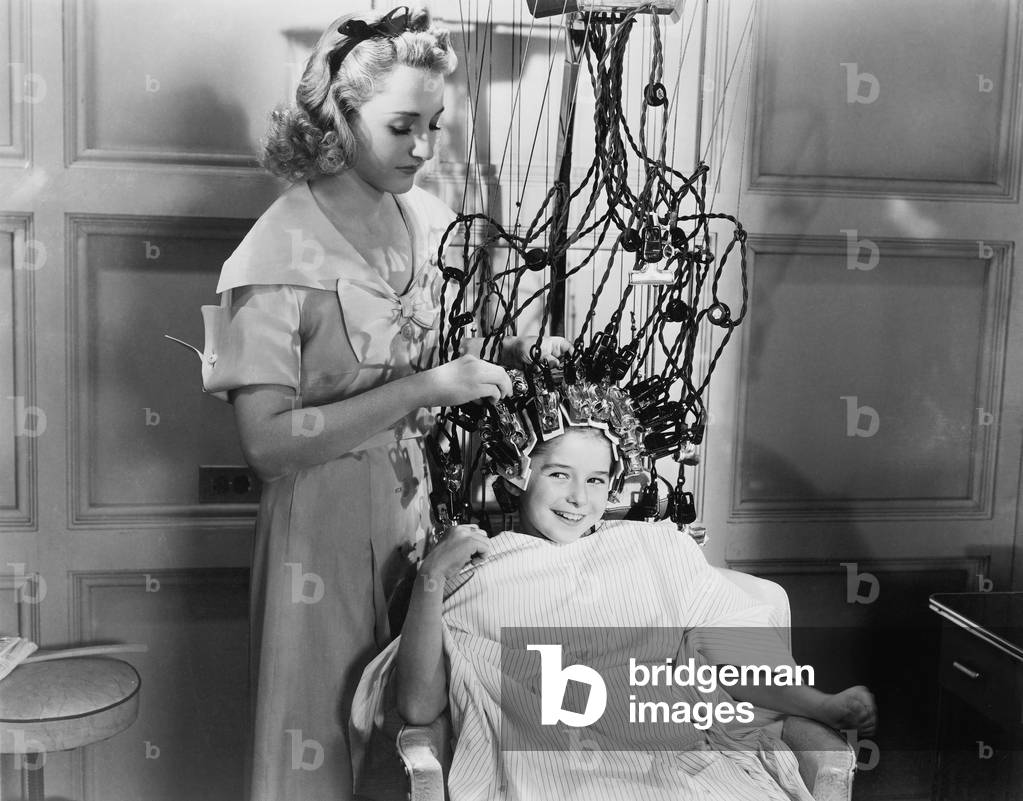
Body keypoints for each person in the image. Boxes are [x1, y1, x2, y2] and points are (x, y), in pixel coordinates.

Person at [199, 8, 566, 800]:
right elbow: (266, 444)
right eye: (402, 126)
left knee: (409, 739)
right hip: (318, 533)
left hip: (411, 521)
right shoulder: (275, 250)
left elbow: (433, 353)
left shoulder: (422, 218)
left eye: (434, 124)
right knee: (318, 741)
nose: (425, 149)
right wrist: (427, 388)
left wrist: (513, 358)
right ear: (340, 116)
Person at [354, 425, 877, 800]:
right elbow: (419, 707)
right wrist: (430, 580)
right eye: (559, 475)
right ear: (517, 478)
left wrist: (819, 704)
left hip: (672, 762)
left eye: (597, 481)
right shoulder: (481, 568)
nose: (578, 498)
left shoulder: (653, 549)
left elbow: (734, 652)